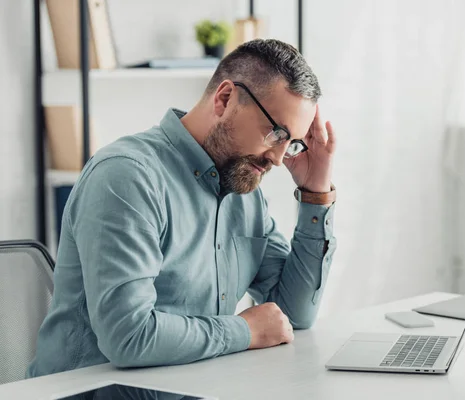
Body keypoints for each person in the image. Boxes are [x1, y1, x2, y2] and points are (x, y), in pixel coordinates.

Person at [27, 39, 337, 377]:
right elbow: (129, 337)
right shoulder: (127, 177)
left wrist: (315, 192)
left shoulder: (244, 190)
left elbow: (292, 314)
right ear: (224, 99)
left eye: (290, 143)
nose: (278, 159)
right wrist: (244, 331)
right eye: (275, 133)